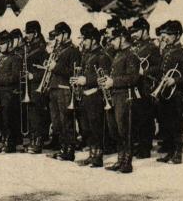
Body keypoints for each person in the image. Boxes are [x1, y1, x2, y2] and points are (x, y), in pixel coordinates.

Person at [99, 26, 139, 173]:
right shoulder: (119, 54)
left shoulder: (131, 55)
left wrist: (113, 82)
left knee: (124, 130)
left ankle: (127, 162)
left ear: (122, 38)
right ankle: (120, 159)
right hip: (115, 95)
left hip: (124, 96)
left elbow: (133, 77)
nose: (112, 42)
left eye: (114, 39)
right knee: (114, 129)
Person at [73, 23, 111, 167]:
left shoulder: (102, 56)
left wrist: (86, 80)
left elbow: (104, 77)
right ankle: (91, 154)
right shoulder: (87, 54)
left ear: (93, 40)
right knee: (86, 127)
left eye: (85, 39)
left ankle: (98, 156)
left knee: (96, 127)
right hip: (84, 95)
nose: (83, 42)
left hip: (95, 96)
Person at [155, 21, 183, 164]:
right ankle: (169, 151)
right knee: (166, 123)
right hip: (165, 93)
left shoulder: (182, 52)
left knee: (176, 124)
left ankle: (177, 153)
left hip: (176, 94)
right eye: (167, 34)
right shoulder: (167, 50)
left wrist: (175, 80)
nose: (167, 37)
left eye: (170, 34)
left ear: (177, 35)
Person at [47, 22, 81, 161]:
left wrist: (55, 67)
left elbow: (73, 72)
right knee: (57, 122)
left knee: (66, 120)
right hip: (55, 88)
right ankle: (62, 147)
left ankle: (69, 150)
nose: (56, 38)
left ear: (65, 34)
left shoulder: (73, 51)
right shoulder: (58, 49)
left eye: (58, 35)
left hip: (65, 89)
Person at [130, 18, 161, 159]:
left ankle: (145, 147)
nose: (134, 34)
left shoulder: (152, 47)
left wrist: (144, 72)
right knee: (136, 117)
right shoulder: (136, 46)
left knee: (145, 118)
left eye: (136, 31)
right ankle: (139, 144)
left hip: (146, 87)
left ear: (144, 31)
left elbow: (158, 67)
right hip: (135, 86)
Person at [22, 21, 51, 154]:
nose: (26, 35)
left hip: (37, 85)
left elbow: (46, 70)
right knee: (32, 114)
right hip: (30, 86)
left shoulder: (42, 48)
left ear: (35, 33)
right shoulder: (30, 46)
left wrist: (34, 76)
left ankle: (38, 141)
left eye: (28, 33)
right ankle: (33, 139)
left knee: (37, 114)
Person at [0, 31, 21, 152]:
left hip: (10, 93)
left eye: (3, 43)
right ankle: (4, 140)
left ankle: (9, 143)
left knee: (8, 119)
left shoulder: (15, 58)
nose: (0, 45)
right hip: (0, 92)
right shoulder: (0, 58)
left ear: (9, 43)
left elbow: (15, 77)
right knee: (2, 119)